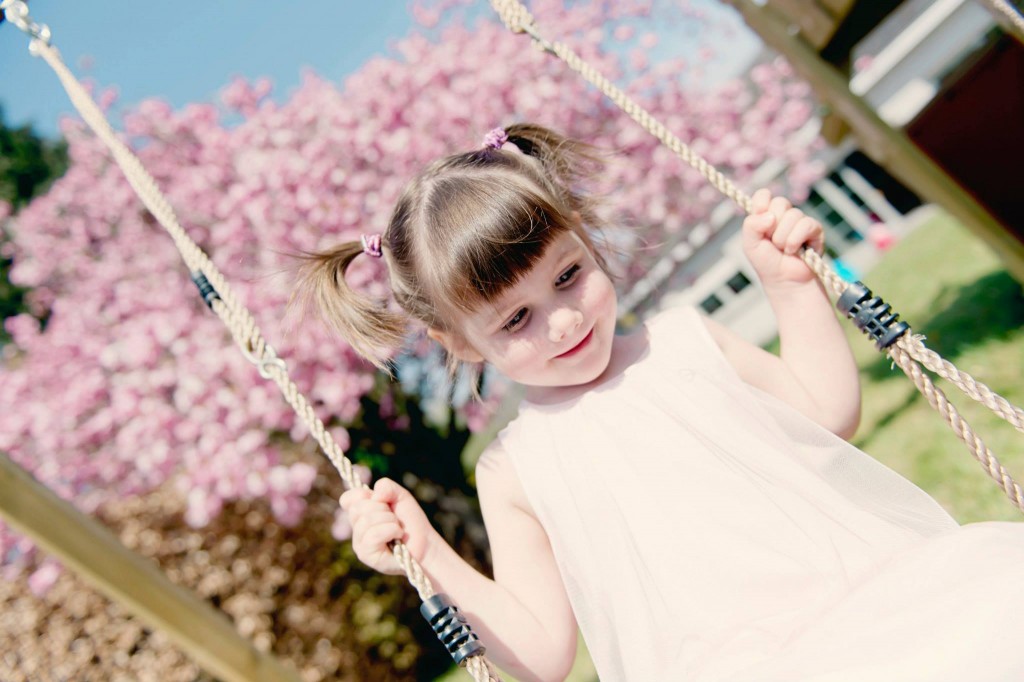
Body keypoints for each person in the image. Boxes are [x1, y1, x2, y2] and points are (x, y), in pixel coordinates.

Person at [294, 124, 1024, 681]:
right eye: (515, 319)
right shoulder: (515, 470)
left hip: (872, 601)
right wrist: (429, 558)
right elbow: (544, 652)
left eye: (570, 274)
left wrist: (792, 291)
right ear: (456, 341)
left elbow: (825, 415)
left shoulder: (683, 343)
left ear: (584, 232)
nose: (564, 320)